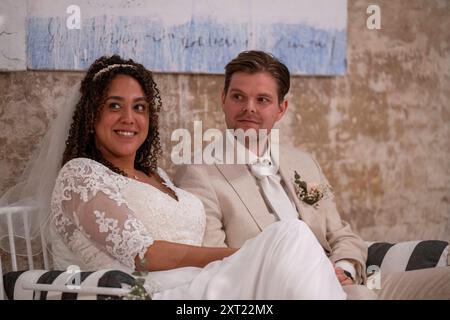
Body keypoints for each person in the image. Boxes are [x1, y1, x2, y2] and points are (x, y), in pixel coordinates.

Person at [35, 55, 346, 299]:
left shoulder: (157, 176)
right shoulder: (80, 175)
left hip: (206, 285)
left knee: (293, 247)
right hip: (155, 294)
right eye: (114, 106)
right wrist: (252, 254)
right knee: (291, 235)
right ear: (91, 115)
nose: (128, 118)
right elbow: (145, 254)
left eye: (139, 107)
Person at [173, 50, 450, 299]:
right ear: (223, 99)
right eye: (238, 97)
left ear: (282, 109)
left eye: (263, 99)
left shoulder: (303, 163)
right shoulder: (199, 173)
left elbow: (343, 235)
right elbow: (216, 266)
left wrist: (344, 269)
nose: (249, 108)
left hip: (349, 282)